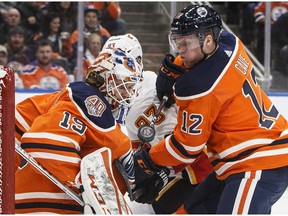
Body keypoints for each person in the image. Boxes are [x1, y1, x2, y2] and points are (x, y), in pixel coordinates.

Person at [132, 4, 288, 214]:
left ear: (206, 40)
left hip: (258, 162)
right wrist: (178, 66)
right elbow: (204, 63)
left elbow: (186, 148)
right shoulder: (230, 43)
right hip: (242, 161)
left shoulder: (199, 87)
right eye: (178, 42)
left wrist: (148, 160)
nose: (181, 50)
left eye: (186, 43)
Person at [15, 48, 143, 214]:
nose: (130, 93)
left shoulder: (96, 108)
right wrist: (88, 186)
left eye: (132, 87)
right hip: (33, 192)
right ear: (104, 80)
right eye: (125, 85)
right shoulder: (87, 101)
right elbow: (43, 143)